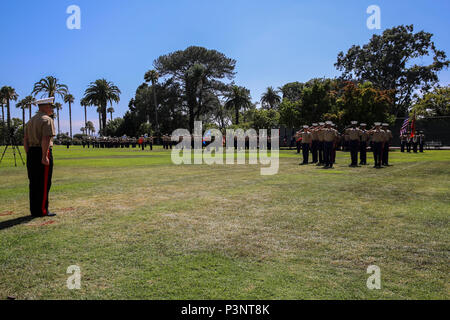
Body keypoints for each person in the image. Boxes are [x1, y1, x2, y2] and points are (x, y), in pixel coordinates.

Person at [23, 98, 57, 217]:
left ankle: (34, 210)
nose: (52, 109)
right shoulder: (47, 120)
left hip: (32, 152)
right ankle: (42, 210)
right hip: (42, 151)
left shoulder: (30, 121)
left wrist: (29, 154)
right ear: (44, 106)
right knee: (44, 183)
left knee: (33, 183)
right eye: (50, 106)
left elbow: (25, 140)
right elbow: (46, 138)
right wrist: (44, 156)